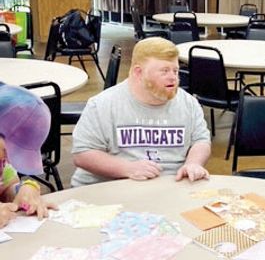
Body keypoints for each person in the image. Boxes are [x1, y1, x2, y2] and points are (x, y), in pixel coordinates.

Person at [71, 37, 211, 187]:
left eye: (175, 71)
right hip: (112, 186)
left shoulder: (189, 103)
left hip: (168, 186)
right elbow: (82, 154)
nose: (173, 78)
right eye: (164, 71)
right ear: (138, 72)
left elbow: (200, 141)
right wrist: (126, 168)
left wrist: (193, 163)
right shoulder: (103, 104)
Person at [0, 82, 56, 227]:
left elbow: (6, 188)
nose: (8, 159)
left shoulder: (2, 162)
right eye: (8, 151)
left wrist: (24, 189)